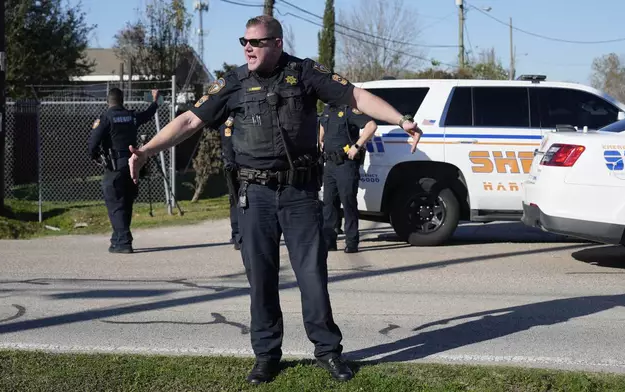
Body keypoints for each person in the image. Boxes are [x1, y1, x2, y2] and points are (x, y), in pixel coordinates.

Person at [127, 15, 422, 384]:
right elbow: (189, 121)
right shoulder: (233, 82)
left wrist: (402, 119)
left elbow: (357, 96)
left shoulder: (305, 73)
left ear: (277, 43)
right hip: (255, 195)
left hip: (299, 193)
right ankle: (267, 356)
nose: (247, 48)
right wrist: (147, 150)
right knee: (261, 279)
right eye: (243, 42)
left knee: (313, 276)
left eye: (256, 42)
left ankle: (328, 352)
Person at [88, 88, 160, 253]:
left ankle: (124, 242)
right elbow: (148, 114)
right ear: (122, 100)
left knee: (115, 204)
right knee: (126, 203)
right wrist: (155, 102)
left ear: (108, 101)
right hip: (132, 165)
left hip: (114, 166)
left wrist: (95, 157)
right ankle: (117, 239)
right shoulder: (131, 116)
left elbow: (93, 142)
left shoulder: (105, 118)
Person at [320, 104, 377, 253]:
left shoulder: (349, 110)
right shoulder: (327, 110)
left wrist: (357, 146)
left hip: (346, 164)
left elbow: (371, 126)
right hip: (330, 164)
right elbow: (322, 125)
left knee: (348, 202)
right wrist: (320, 140)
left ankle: (351, 242)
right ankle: (329, 241)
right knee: (329, 204)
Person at [220, 115, 241, 250]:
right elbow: (227, 140)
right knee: (234, 198)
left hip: (247, 161)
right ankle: (237, 234)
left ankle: (240, 233)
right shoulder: (228, 119)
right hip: (232, 163)